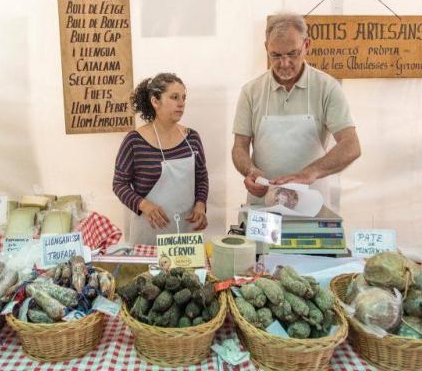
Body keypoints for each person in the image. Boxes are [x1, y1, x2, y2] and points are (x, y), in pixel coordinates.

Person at [231, 13, 361, 212]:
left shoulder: (327, 87)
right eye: (276, 55)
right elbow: (239, 148)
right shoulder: (251, 91)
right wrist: (250, 171)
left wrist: (309, 173)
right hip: (263, 205)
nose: (284, 63)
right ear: (266, 48)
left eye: (292, 53)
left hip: (311, 205)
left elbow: (351, 145)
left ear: (307, 45)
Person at [113, 73, 209, 245]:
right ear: (155, 101)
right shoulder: (134, 141)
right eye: (174, 97)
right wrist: (145, 205)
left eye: (183, 98)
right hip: (148, 236)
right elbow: (119, 184)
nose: (181, 104)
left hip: (185, 237)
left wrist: (200, 205)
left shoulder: (192, 138)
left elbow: (201, 177)